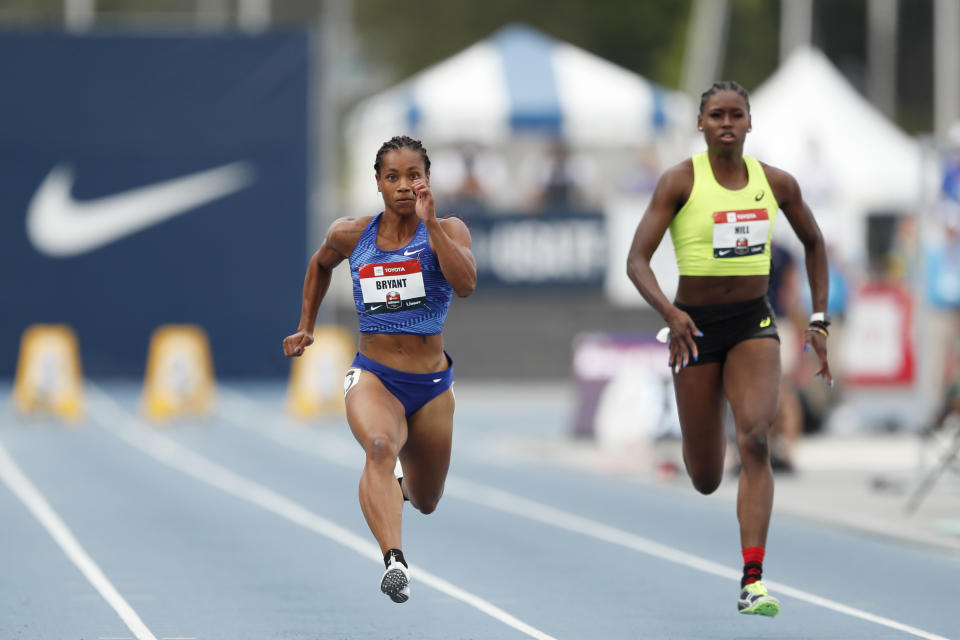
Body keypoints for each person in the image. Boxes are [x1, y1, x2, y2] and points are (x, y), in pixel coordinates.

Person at [626, 81, 831, 617]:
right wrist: (670, 315)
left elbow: (814, 242)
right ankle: (706, 427)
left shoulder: (776, 183)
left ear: (748, 122)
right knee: (705, 475)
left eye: (736, 114)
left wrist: (818, 318)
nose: (726, 123)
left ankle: (753, 579)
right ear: (701, 123)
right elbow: (637, 260)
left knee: (757, 439)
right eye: (716, 114)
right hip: (693, 329)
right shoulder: (679, 182)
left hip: (752, 323)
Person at [282, 135, 476, 603]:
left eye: (414, 176)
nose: (405, 186)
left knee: (427, 500)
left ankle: (397, 492)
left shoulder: (449, 229)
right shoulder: (353, 234)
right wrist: (306, 325)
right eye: (394, 177)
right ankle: (394, 560)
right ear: (378, 183)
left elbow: (466, 284)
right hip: (374, 376)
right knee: (378, 446)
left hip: (430, 387)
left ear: (427, 181)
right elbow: (320, 263)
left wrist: (432, 227)